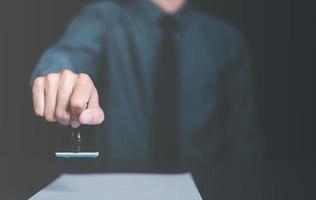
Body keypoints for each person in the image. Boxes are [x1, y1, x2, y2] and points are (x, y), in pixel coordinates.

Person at [31, 0, 262, 164]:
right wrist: (61, 77)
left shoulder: (226, 38)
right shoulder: (101, 17)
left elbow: (243, 138)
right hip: (117, 182)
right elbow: (70, 53)